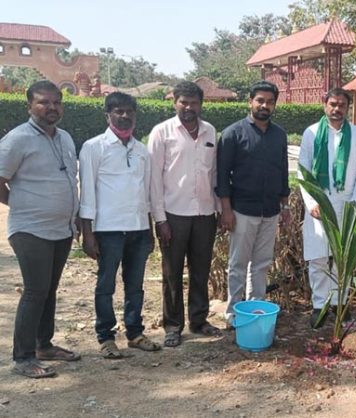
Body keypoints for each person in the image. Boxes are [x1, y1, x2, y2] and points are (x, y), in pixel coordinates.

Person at [0, 80, 81, 378]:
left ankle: (43, 345)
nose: (51, 108)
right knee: (35, 290)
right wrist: (21, 204)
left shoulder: (66, 138)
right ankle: (22, 357)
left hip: (61, 229)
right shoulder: (17, 139)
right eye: (43, 102)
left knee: (49, 290)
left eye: (56, 102)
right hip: (29, 229)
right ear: (29, 106)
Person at [80, 92, 161, 359]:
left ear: (135, 115)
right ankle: (105, 336)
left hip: (138, 228)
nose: (124, 116)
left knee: (135, 285)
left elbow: (146, 194)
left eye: (129, 111)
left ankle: (135, 333)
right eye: (118, 111)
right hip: (108, 230)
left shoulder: (141, 150)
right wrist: (88, 233)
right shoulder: (94, 147)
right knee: (106, 285)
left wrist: (149, 230)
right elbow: (87, 194)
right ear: (108, 115)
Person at [148, 81, 221, 348]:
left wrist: (219, 210)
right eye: (183, 102)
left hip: (204, 212)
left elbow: (213, 174)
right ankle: (173, 325)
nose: (189, 107)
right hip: (173, 213)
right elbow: (154, 178)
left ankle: (199, 320)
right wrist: (160, 219)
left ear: (201, 104)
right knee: (172, 272)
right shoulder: (162, 132)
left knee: (201, 270)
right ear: (174, 102)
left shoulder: (210, 131)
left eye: (194, 103)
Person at [216, 81, 291, 323]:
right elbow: (221, 175)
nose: (264, 105)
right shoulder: (233, 134)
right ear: (250, 102)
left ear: (275, 105)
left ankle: (257, 309)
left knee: (261, 263)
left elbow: (283, 171)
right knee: (238, 263)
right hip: (242, 210)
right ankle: (233, 314)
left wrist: (285, 206)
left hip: (270, 210)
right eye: (260, 100)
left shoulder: (279, 135)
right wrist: (226, 210)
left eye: (269, 102)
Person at [298, 88, 356, 328]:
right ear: (324, 105)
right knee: (318, 257)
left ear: (348, 108)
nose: (337, 109)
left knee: (344, 257)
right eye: (333, 104)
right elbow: (303, 170)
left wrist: (355, 203)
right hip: (319, 202)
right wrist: (311, 202)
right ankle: (320, 306)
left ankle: (340, 303)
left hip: (348, 202)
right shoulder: (311, 133)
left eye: (342, 105)